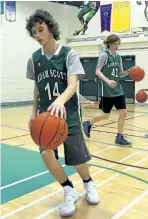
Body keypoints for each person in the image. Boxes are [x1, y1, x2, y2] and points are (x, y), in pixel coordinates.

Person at [25, 9, 99, 217]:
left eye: (41, 30)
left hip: (69, 115)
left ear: (50, 29)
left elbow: (72, 85)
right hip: (45, 118)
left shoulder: (69, 54)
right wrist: (33, 111)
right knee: (47, 154)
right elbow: (37, 87)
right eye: (34, 32)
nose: (38, 35)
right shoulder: (34, 59)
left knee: (77, 160)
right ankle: (68, 190)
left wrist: (60, 100)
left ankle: (88, 184)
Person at [83, 34, 132, 146]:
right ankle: (88, 123)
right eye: (115, 44)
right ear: (110, 43)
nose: (117, 46)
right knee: (106, 115)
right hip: (107, 90)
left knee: (123, 113)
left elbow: (120, 73)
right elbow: (97, 71)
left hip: (118, 89)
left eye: (118, 44)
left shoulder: (118, 57)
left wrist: (129, 72)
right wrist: (108, 80)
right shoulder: (104, 56)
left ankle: (119, 137)